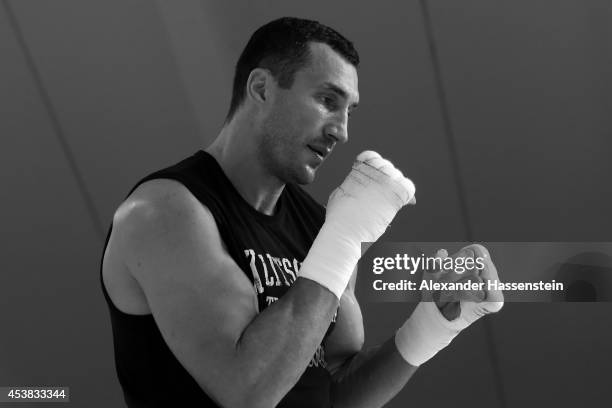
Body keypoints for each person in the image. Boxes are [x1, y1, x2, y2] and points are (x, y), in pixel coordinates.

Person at [100, 17, 504, 408]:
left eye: (349, 111)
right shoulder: (166, 212)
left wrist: (431, 327)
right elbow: (247, 394)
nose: (341, 131)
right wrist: (344, 238)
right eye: (328, 101)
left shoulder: (319, 230)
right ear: (261, 88)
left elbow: (333, 391)